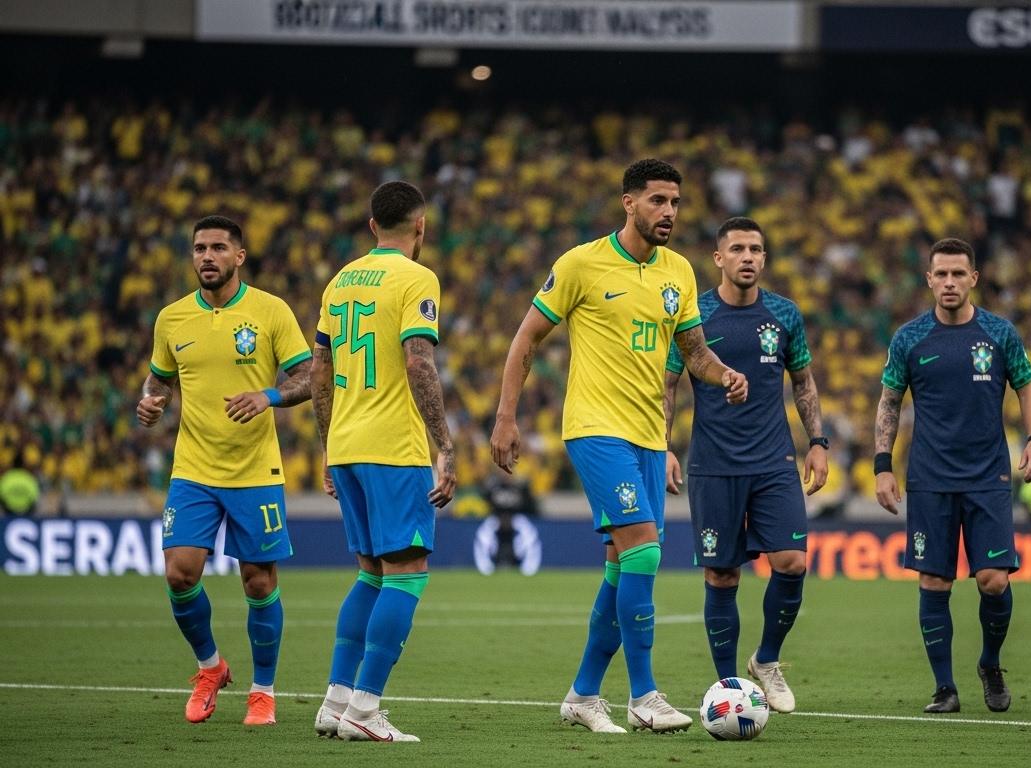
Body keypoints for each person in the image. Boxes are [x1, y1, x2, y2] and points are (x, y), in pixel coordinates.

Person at [491, 159, 748, 734]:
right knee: (646, 551)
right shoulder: (581, 263)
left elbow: (695, 354)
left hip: (649, 439)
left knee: (620, 565)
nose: (669, 213)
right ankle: (644, 694)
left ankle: (583, 693)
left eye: (676, 203)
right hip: (595, 428)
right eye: (657, 201)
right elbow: (527, 337)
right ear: (628, 203)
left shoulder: (678, 271)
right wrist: (506, 416)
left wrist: (725, 373)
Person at [137, 215, 312, 726]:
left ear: (239, 256)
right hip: (193, 469)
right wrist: (150, 403)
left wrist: (269, 395)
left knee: (258, 583)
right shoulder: (171, 318)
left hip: (256, 470)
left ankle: (263, 692)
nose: (206, 257)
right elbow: (158, 381)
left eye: (218, 248)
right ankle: (210, 667)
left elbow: (308, 377)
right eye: (199, 248)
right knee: (179, 573)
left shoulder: (270, 311)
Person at [662, 217, 828, 713]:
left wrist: (817, 441)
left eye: (756, 249)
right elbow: (669, 384)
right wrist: (664, 445)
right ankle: (729, 686)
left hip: (774, 459)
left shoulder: (784, 314)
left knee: (793, 563)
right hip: (713, 463)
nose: (748, 257)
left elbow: (803, 381)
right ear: (719, 258)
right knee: (722, 576)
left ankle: (767, 660)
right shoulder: (694, 315)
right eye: (737, 249)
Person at [873, 238, 1031, 715]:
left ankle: (990, 663)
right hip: (929, 478)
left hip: (987, 475)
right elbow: (889, 402)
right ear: (928, 279)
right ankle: (944, 688)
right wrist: (882, 465)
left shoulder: (999, 332)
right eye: (941, 274)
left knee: (992, 580)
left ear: (974, 278)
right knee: (934, 582)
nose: (949, 282)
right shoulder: (909, 338)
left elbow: (1028, 389)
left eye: (958, 274)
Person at [311, 181, 457, 742]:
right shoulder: (418, 279)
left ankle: (336, 699)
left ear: (372, 226)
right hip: (392, 447)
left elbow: (319, 372)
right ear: (420, 226)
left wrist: (328, 445)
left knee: (370, 572)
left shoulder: (340, 280)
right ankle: (364, 712)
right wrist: (443, 443)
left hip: (346, 443)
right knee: (407, 572)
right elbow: (418, 362)